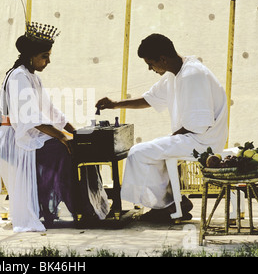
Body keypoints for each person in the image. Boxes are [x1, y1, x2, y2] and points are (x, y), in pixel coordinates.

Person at [0, 22, 109, 232]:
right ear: (30, 56)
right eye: (45, 56)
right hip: (14, 139)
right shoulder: (18, 76)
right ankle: (69, 209)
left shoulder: (32, 77)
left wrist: (75, 133)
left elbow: (51, 111)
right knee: (64, 150)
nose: (48, 61)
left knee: (81, 147)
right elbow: (31, 119)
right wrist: (63, 138)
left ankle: (86, 207)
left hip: (27, 135)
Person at [96, 33, 228, 222]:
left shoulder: (192, 75)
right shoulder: (176, 73)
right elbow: (149, 99)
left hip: (204, 140)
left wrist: (170, 138)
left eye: (150, 64)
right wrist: (115, 104)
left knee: (138, 153)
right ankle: (173, 202)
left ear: (163, 59)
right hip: (191, 137)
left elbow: (200, 124)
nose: (150, 69)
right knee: (146, 150)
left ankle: (169, 205)